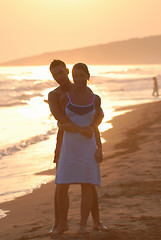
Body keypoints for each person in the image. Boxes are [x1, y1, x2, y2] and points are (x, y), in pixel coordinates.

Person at [48, 60, 107, 235]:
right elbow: (60, 119)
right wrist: (78, 128)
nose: (59, 77)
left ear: (67, 71)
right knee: (61, 183)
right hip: (64, 139)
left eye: (61, 73)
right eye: (55, 74)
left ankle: (96, 220)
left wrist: (92, 127)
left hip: (83, 138)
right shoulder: (54, 94)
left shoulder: (81, 88)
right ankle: (59, 223)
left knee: (87, 181)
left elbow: (100, 112)